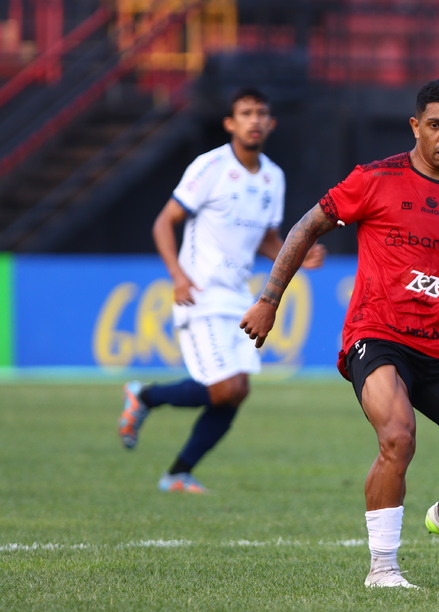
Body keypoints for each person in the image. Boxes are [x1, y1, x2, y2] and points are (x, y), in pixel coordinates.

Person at [240, 78, 439, 589]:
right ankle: (383, 569)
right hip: (377, 334)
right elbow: (305, 229)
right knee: (397, 436)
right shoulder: (374, 179)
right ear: (416, 127)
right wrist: (269, 299)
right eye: (437, 125)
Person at [117, 86, 326, 492]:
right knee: (224, 387)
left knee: (237, 391)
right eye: (245, 113)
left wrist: (297, 254)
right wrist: (178, 276)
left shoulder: (273, 177)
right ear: (230, 123)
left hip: (238, 298)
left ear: (271, 123)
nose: (254, 120)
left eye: (261, 113)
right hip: (200, 294)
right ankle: (144, 397)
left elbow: (266, 240)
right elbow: (164, 222)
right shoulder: (208, 166)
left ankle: (178, 473)